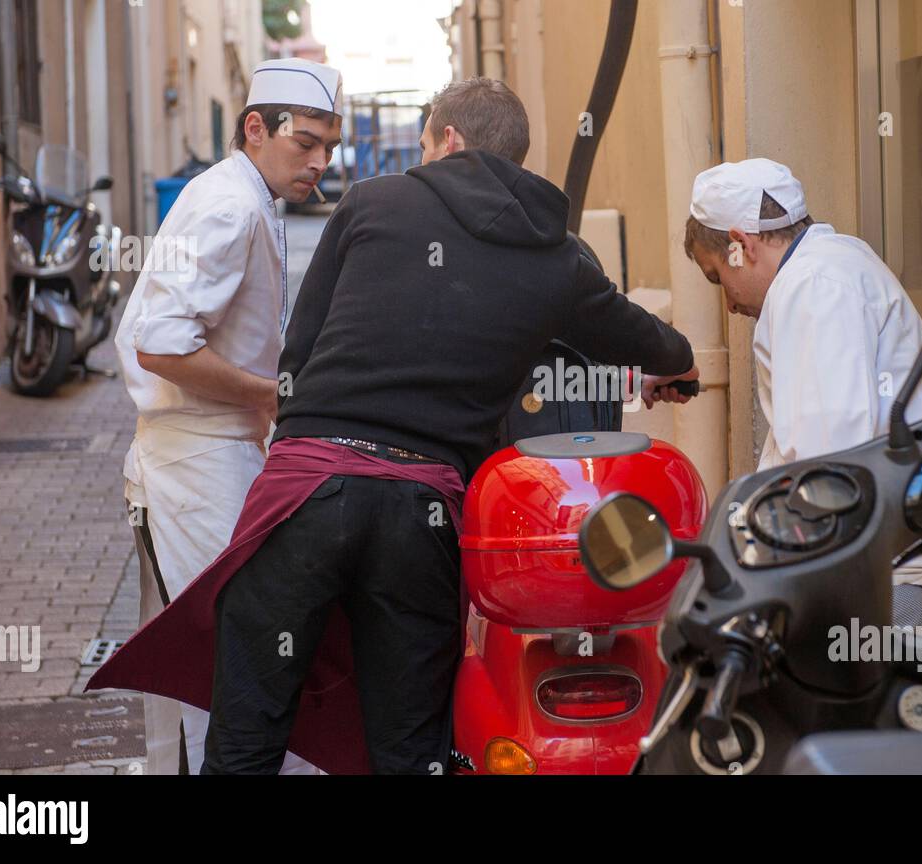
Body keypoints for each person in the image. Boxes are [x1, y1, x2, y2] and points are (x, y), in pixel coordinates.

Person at [182, 76, 699, 774]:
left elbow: (297, 356)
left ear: (447, 140)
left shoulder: (371, 202)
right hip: (418, 517)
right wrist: (682, 367)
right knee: (408, 748)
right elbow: (643, 340)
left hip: (305, 492)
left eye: (424, 142)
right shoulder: (556, 257)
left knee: (247, 733)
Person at [112, 58, 343, 775]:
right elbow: (159, 344)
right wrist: (266, 394)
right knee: (226, 667)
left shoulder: (251, 196)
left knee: (209, 668)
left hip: (216, 461)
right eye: (305, 142)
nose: (320, 162)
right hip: (195, 466)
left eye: (329, 147)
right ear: (255, 127)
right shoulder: (230, 203)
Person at [683, 158, 922, 629]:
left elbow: (829, 478)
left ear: (741, 246)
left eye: (719, 278)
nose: (730, 303)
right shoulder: (830, 266)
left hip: (887, 594)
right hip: (879, 580)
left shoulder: (813, 287)